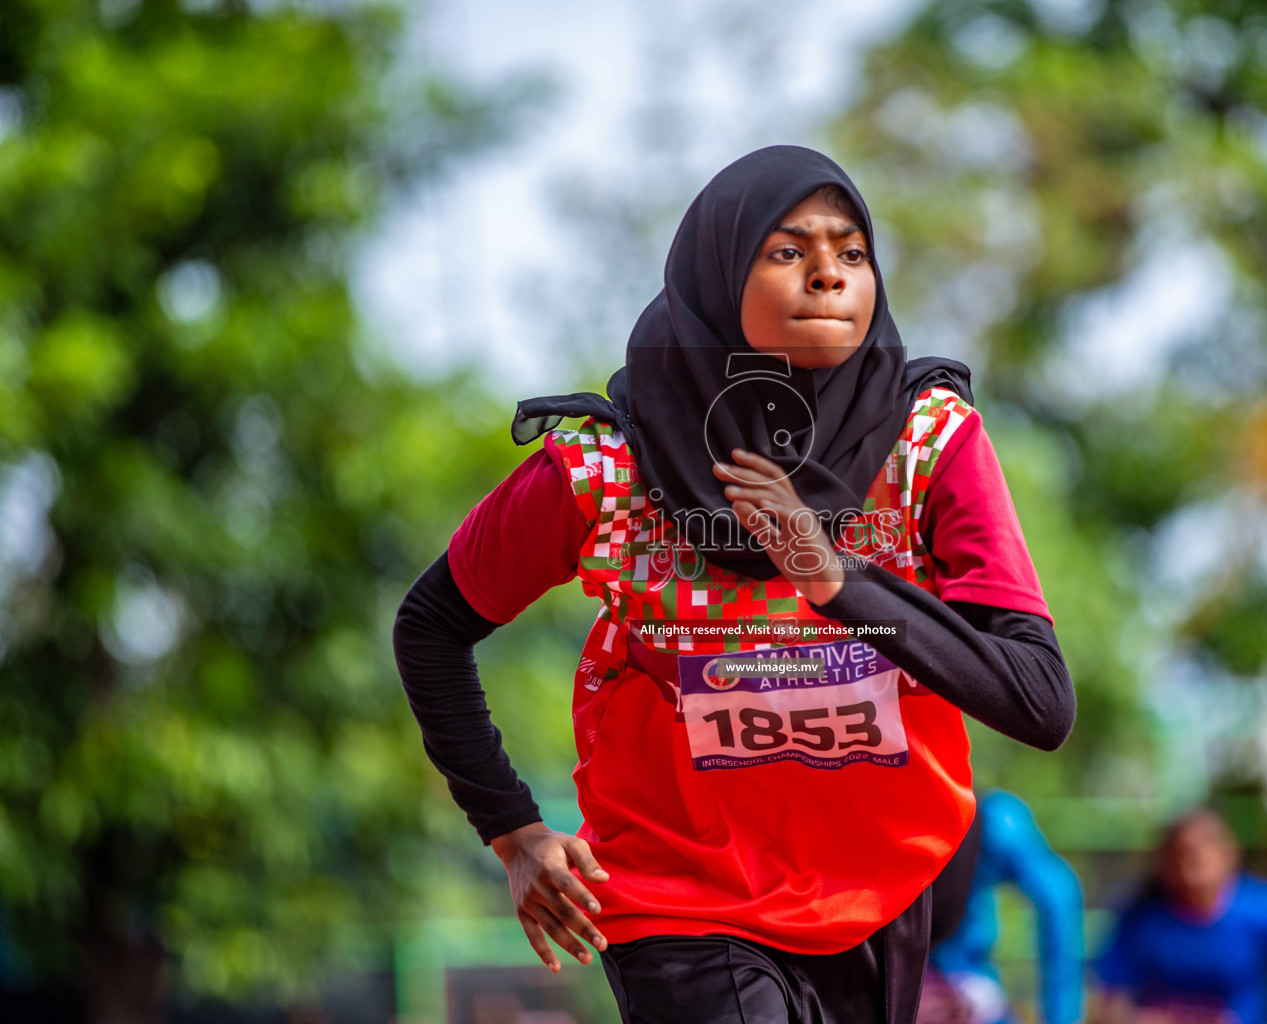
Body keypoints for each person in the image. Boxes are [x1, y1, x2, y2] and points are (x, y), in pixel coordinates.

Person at [393, 144, 1077, 1024]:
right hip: (677, 894)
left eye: (852, 252)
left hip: (880, 889)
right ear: (717, 278)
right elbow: (432, 625)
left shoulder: (930, 445)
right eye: (789, 251)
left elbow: (1039, 700)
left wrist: (834, 581)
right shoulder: (606, 467)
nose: (829, 275)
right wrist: (514, 832)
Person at [1088, 808, 1267, 1024]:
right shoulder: (1140, 915)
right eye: (1176, 857)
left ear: (1227, 854)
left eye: (1196, 856)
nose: (1188, 870)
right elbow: (1106, 997)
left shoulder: (1263, 908)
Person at [919, 790, 1085, 1024]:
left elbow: (1058, 898)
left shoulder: (990, 820)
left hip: (958, 988)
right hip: (941, 990)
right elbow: (1059, 896)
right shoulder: (992, 818)